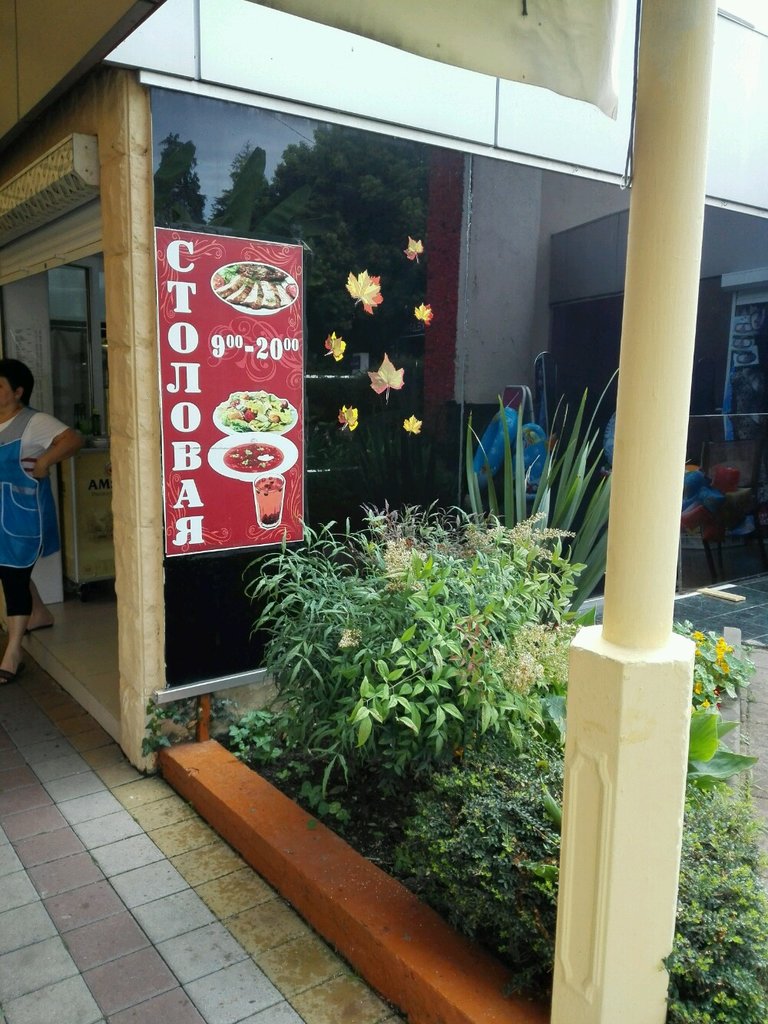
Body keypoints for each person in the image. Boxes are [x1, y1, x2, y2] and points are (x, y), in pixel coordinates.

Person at [0, 359, 83, 683]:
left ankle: (13, 652)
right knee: (10, 571)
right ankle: (40, 614)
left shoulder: (34, 422)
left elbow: (72, 439)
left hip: (22, 515)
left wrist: (45, 460)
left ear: (18, 392)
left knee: (13, 576)